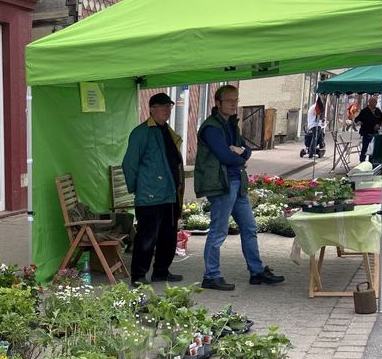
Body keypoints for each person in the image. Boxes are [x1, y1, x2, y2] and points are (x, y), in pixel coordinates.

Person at [194, 85, 284, 291]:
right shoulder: (211, 128)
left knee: (250, 227)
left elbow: (248, 150)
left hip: (236, 181)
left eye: (236, 100)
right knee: (218, 231)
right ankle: (211, 276)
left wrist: (241, 153)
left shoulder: (231, 124)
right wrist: (241, 157)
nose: (234, 104)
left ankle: (256, 271)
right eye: (229, 101)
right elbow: (225, 156)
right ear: (218, 103)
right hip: (221, 184)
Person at [121, 92, 185, 285]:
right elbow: (129, 164)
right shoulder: (141, 133)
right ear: (152, 109)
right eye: (162, 106)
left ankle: (161, 271)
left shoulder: (167, 131)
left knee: (168, 237)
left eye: (169, 106)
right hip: (150, 195)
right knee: (146, 238)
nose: (167, 110)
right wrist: (138, 188)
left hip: (169, 194)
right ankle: (139, 275)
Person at [354, 95, 382, 162]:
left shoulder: (378, 111)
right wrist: (358, 121)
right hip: (366, 132)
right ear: (369, 102)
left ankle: (371, 161)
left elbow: (381, 119)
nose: (375, 103)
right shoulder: (364, 111)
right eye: (373, 102)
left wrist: (378, 125)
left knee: (373, 148)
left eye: (375, 102)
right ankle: (362, 161)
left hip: (375, 132)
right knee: (365, 147)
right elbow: (357, 118)